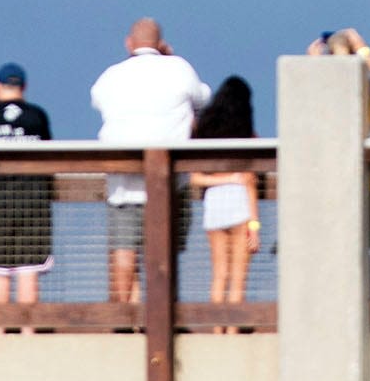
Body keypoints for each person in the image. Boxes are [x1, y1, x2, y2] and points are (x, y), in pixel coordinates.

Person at [90, 20, 209, 302]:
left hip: (123, 184)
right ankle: (163, 316)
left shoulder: (111, 76)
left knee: (123, 251)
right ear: (160, 44)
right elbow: (204, 97)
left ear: (129, 43)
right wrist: (170, 59)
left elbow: (97, 101)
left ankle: (124, 321)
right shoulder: (179, 68)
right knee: (164, 255)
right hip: (168, 185)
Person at [0, 64, 56, 310]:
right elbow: (51, 155)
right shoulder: (37, 116)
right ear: (24, 87)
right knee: (29, 270)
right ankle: (27, 333)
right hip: (33, 200)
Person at [192, 76, 261, 314]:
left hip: (213, 204)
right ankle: (231, 332)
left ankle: (216, 329)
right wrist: (255, 224)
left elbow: (194, 177)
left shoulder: (204, 132)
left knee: (219, 274)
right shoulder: (248, 135)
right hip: (240, 203)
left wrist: (221, 179)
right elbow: (250, 181)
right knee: (238, 278)